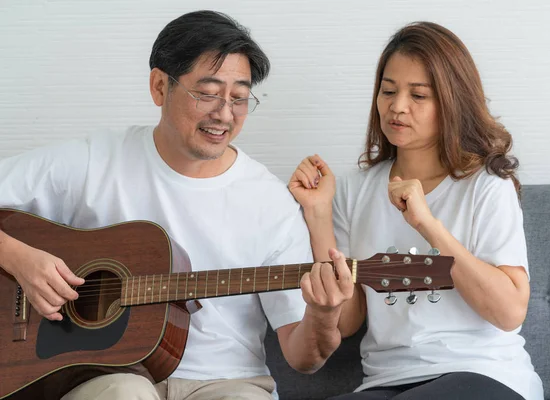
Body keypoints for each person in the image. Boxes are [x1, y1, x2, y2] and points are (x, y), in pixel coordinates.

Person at [0, 10, 353, 400]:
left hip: (229, 382)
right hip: (102, 375)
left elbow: (303, 358)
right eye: (207, 93)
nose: (224, 114)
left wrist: (323, 314)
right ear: (159, 86)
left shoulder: (269, 201)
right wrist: (20, 259)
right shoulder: (94, 160)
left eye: (239, 98)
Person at [289, 21, 543, 400]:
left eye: (418, 95)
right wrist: (319, 214)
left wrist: (427, 224)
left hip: (483, 373)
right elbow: (348, 320)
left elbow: (509, 312)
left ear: (451, 100)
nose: (397, 106)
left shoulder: (487, 185)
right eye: (388, 90)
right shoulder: (354, 190)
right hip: (386, 382)